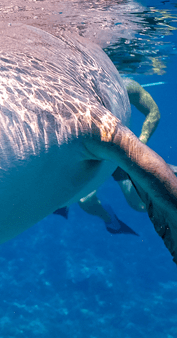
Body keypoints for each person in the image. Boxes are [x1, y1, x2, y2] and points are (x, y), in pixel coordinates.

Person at [53, 79, 160, 235]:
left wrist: (140, 144)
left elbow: (154, 112)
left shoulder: (125, 86)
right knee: (85, 201)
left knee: (137, 205)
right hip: (93, 153)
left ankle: (171, 208)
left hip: (121, 151)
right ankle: (110, 220)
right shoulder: (72, 90)